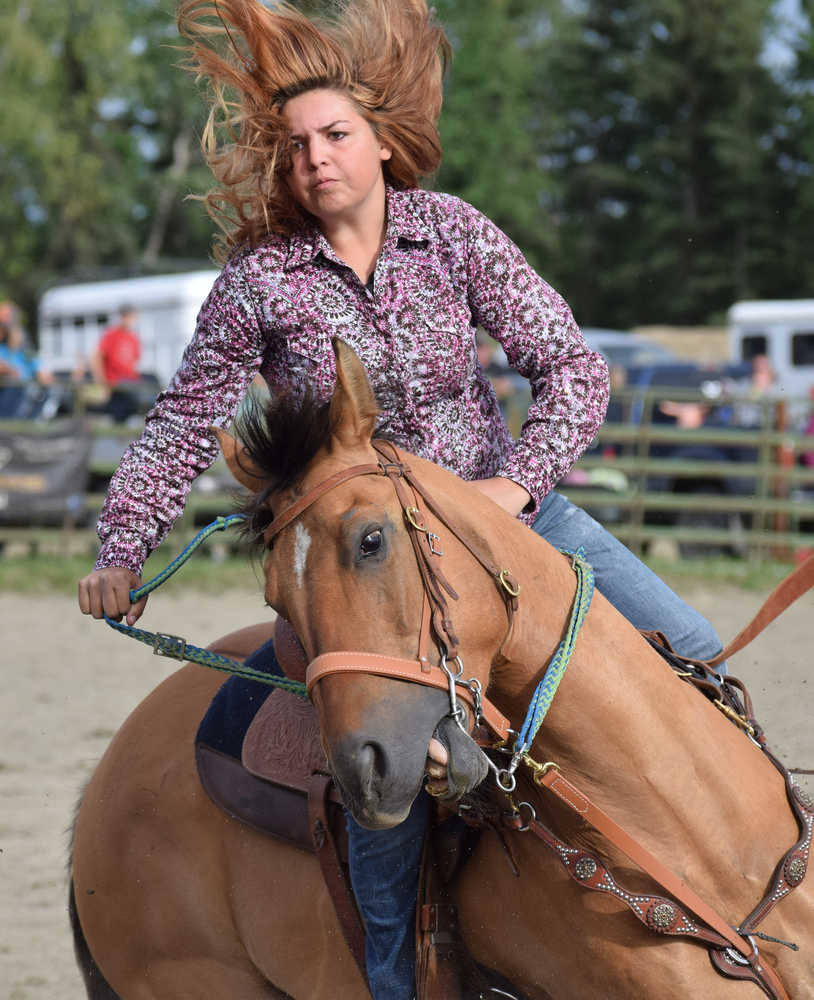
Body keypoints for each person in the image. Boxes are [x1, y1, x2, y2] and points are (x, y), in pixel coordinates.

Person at [77, 2, 725, 996]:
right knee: (385, 810)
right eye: (296, 146)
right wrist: (122, 545)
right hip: (359, 560)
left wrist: (512, 488)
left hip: (504, 521)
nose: (315, 159)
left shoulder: (454, 234)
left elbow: (571, 369)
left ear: (383, 141)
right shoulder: (260, 280)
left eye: (335, 135)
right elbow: (180, 421)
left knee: (696, 657)